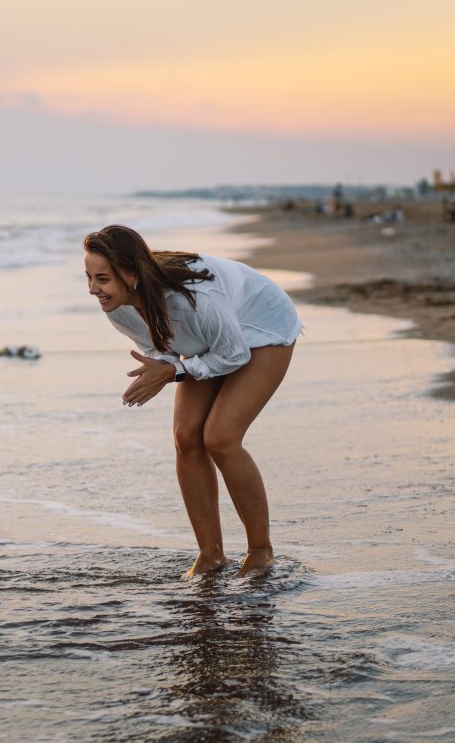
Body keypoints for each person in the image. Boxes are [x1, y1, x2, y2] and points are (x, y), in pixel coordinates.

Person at [83, 225, 302, 579]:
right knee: (186, 438)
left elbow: (233, 355)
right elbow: (160, 347)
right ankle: (210, 554)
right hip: (208, 337)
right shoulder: (117, 306)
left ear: (132, 274)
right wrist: (164, 367)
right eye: (89, 277)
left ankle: (261, 551)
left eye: (103, 279)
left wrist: (173, 373)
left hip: (260, 328)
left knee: (220, 437)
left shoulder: (195, 298)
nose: (93, 289)